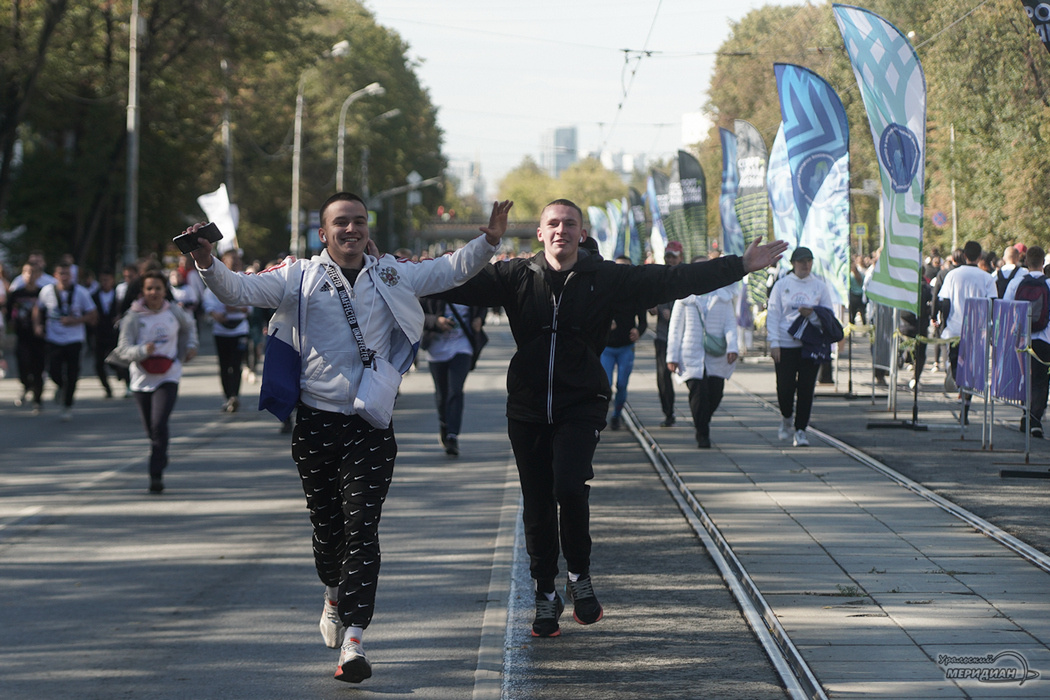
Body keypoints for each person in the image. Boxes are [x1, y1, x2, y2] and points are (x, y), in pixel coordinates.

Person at [185, 192, 511, 684]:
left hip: (370, 426)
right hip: (315, 422)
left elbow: (449, 269)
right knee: (327, 531)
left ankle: (355, 641)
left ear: (367, 228)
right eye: (341, 222)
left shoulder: (392, 273)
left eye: (359, 221)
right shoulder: (299, 277)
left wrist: (489, 239)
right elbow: (236, 291)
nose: (351, 229)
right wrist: (205, 258)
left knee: (362, 530)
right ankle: (333, 594)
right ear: (324, 233)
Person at [434, 198, 786, 638]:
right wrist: (387, 270)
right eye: (553, 224)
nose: (561, 230)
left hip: (581, 401)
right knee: (538, 502)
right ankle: (545, 595)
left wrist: (739, 265)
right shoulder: (515, 275)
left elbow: (675, 279)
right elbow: (449, 280)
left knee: (568, 484)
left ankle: (579, 576)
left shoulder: (607, 278)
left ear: (582, 233)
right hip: (526, 405)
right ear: (540, 234)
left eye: (570, 224)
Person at [111, 269, 199, 492]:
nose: (154, 293)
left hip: (169, 374)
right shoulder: (133, 317)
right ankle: (161, 453)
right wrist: (142, 350)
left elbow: (190, 327)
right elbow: (122, 349)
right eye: (149, 288)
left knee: (159, 424)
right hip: (142, 378)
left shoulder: (174, 313)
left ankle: (155, 474)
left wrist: (190, 347)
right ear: (143, 291)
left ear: (164, 291)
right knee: (151, 430)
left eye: (158, 288)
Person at [767, 246, 832, 447]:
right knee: (785, 388)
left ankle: (801, 429)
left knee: (806, 388)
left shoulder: (820, 286)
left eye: (808, 261)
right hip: (786, 344)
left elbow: (828, 316)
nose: (805, 265)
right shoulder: (782, 285)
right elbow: (773, 314)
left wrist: (812, 314)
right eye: (801, 262)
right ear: (793, 264)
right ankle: (786, 417)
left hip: (809, 345)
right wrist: (774, 342)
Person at [666, 278, 739, 448]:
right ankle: (702, 432)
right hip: (690, 354)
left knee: (715, 393)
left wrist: (733, 347)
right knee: (698, 395)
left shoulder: (723, 297)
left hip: (716, 355)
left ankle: (702, 421)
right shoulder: (684, 299)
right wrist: (672, 356)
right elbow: (675, 328)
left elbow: (730, 324)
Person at [937, 241, 996, 421]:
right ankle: (966, 403)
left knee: (956, 364)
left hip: (955, 329)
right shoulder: (987, 278)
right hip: (977, 331)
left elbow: (944, 302)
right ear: (980, 257)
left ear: (964, 255)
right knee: (972, 369)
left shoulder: (953, 275)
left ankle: (958, 384)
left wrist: (943, 324)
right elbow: (993, 303)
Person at [420, 298, 487, 456]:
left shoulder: (469, 284)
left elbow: (483, 304)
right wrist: (436, 321)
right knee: (442, 394)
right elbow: (415, 313)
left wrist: (479, 319)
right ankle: (444, 424)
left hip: (462, 346)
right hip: (436, 349)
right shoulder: (432, 286)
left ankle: (452, 435)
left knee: (455, 390)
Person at [32, 262, 97, 421]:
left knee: (73, 373)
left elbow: (93, 316)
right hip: (54, 338)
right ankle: (61, 387)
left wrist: (76, 320)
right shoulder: (47, 291)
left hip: (74, 339)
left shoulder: (81, 293)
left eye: (68, 274)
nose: (65, 277)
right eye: (62, 273)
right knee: (53, 370)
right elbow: (38, 309)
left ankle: (67, 405)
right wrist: (37, 325)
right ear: (55, 275)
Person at [1003, 246, 1050, 437]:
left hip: (1022, 339)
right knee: (1041, 380)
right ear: (1043, 263)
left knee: (1026, 379)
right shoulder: (1048, 283)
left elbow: (1005, 307)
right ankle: (1035, 420)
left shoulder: (1017, 282)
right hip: (1045, 339)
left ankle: (1025, 415)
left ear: (1026, 261)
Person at [600, 255, 647, 430]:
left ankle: (617, 415)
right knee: (605, 385)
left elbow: (643, 322)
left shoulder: (635, 293)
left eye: (625, 268)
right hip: (607, 348)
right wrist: (605, 324)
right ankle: (601, 415)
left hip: (626, 347)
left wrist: (638, 331)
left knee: (621, 384)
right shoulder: (605, 291)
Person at [203, 250, 250, 412]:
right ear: (223, 262)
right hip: (221, 331)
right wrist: (214, 313)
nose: (235, 264)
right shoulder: (216, 280)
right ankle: (227, 396)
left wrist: (235, 308)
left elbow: (249, 307)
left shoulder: (246, 280)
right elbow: (208, 303)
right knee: (224, 365)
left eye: (237, 261)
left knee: (236, 364)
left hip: (240, 330)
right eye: (232, 261)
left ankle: (234, 396)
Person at [5, 262, 47, 412]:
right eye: (27, 272)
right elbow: (8, 311)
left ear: (38, 275)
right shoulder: (17, 294)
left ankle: (38, 399)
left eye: (33, 272)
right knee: (23, 363)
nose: (29, 276)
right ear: (23, 274)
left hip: (38, 337)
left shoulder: (43, 293)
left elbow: (48, 311)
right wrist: (11, 322)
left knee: (38, 368)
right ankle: (26, 385)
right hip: (22, 336)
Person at [650, 242, 683, 427]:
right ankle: (669, 413)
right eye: (668, 257)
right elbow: (651, 299)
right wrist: (654, 308)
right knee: (663, 377)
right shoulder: (659, 277)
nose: (670, 260)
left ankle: (700, 414)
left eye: (673, 257)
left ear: (681, 258)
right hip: (663, 337)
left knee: (693, 378)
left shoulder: (687, 277)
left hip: (684, 338)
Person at [91, 269, 121, 398]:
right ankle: (107, 388)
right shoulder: (94, 296)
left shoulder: (119, 295)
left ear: (112, 281)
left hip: (115, 333)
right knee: (99, 364)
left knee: (117, 361)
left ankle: (124, 379)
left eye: (107, 280)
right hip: (99, 333)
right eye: (102, 280)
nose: (105, 283)